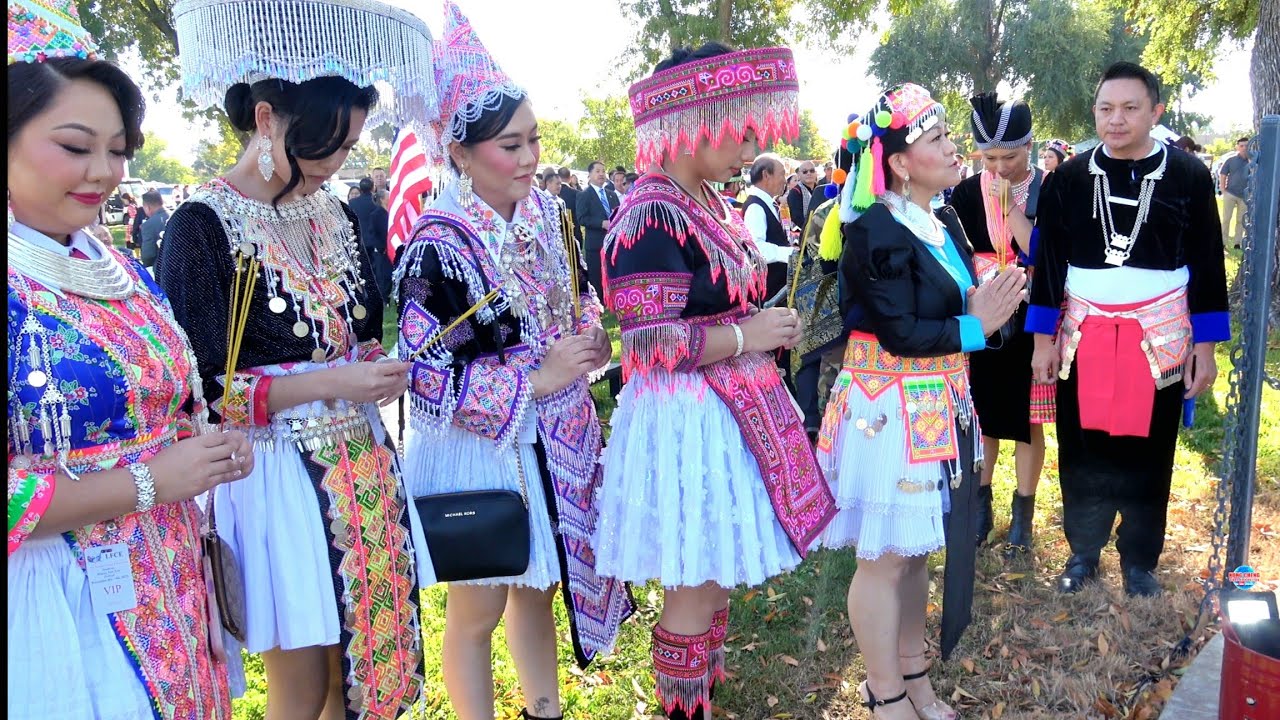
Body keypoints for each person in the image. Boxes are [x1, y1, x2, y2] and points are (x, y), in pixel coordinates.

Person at [156, 0, 438, 716]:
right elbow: (203, 392)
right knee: (303, 682)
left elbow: (355, 324)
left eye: (349, 146)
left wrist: (370, 363)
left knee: (361, 674)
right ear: (266, 121)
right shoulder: (201, 227)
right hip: (278, 471)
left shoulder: (333, 211)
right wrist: (334, 380)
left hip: (360, 458)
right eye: (331, 145)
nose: (341, 164)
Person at [7, 7, 253, 717]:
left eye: (118, 150)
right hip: (55, 596)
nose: (105, 172)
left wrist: (202, 449)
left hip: (167, 574)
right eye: (75, 146)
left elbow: (164, 401)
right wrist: (148, 482)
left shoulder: (115, 264)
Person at [393, 5, 632, 719]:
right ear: (460, 152)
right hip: (482, 446)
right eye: (509, 145)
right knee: (481, 602)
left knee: (543, 581)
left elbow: (579, 301)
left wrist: (589, 340)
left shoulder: (547, 218)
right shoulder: (435, 245)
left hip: (555, 437)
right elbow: (424, 372)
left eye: (533, 140)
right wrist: (533, 379)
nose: (529, 158)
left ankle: (543, 708)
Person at [595, 42, 836, 720]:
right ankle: (681, 710)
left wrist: (757, 328)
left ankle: (703, 692)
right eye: (740, 130)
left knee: (714, 568)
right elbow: (649, 340)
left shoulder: (705, 200)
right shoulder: (649, 212)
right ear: (695, 120)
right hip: (683, 416)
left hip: (723, 406)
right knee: (694, 577)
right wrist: (746, 336)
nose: (750, 147)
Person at [815, 83, 1026, 717]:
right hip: (887, 409)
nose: (952, 147)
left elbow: (963, 303)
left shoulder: (942, 219)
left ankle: (915, 678)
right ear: (901, 162)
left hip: (937, 406)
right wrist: (976, 324)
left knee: (913, 555)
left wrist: (996, 294)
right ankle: (884, 696)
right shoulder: (874, 228)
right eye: (935, 138)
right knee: (882, 559)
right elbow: (901, 332)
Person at [1029, 61, 1229, 598]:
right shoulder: (1067, 179)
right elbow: (1046, 264)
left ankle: (1140, 559)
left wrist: (1205, 350)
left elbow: (1209, 264)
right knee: (1083, 445)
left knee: (1150, 448)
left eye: (1129, 108)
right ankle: (1083, 552)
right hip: (1084, 332)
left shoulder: (1188, 175)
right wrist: (1043, 342)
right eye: (1105, 108)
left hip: (1157, 337)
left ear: (1155, 110)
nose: (1115, 120)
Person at [948, 93, 1053, 555]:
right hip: (987, 315)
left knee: (1029, 418)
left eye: (1009, 156)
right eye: (989, 157)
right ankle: (981, 505)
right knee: (986, 415)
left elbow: (1048, 256)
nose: (999, 166)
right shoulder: (968, 192)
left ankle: (1023, 514)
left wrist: (1011, 209)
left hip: (1034, 316)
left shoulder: (1050, 188)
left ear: (1028, 146)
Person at [742, 152, 796, 300]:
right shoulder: (755, 207)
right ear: (766, 175)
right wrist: (789, 253)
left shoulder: (767, 203)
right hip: (768, 294)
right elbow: (756, 249)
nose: (785, 180)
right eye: (782, 174)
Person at [575, 160, 620, 299]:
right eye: (598, 171)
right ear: (590, 175)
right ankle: (599, 303)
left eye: (603, 171)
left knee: (614, 272)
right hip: (595, 244)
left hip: (613, 242)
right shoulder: (584, 195)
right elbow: (582, 218)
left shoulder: (611, 194)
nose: (601, 174)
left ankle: (615, 299)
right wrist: (601, 223)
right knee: (597, 276)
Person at [1219, 136, 1249, 249]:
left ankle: (1237, 243)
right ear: (1237, 147)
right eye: (1241, 146)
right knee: (1226, 219)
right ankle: (1222, 242)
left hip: (1245, 195)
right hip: (1230, 193)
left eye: (1246, 145)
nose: (1244, 148)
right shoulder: (1230, 160)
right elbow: (1223, 174)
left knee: (1241, 220)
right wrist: (1223, 189)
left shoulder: (1252, 159)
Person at [366, 188, 393, 302]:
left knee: (391, 273)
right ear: (382, 199)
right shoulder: (376, 214)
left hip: (392, 248)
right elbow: (373, 233)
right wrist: (381, 248)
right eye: (388, 195)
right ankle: (384, 299)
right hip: (383, 250)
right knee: (384, 275)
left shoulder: (391, 211)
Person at [787, 159, 821, 235]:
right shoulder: (795, 192)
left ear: (816, 173)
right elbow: (797, 218)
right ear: (799, 175)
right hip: (802, 234)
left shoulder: (820, 189)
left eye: (812, 171)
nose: (809, 173)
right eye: (805, 171)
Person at [139, 188, 168, 267]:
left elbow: (148, 255)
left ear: (147, 207)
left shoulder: (148, 225)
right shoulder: (176, 216)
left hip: (161, 268)